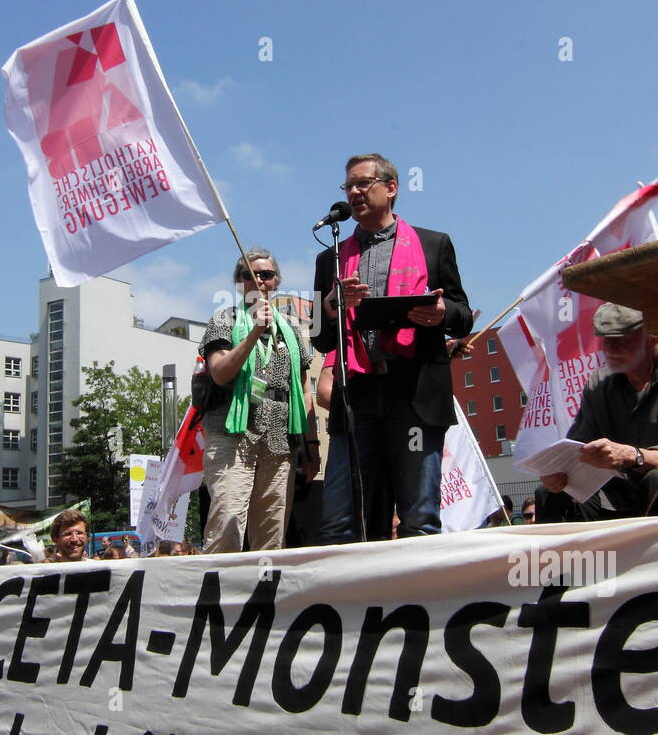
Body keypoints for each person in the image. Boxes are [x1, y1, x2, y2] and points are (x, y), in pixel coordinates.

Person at [312, 153, 472, 543]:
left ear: (392, 187)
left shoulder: (434, 244)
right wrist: (334, 306)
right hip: (357, 397)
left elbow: (463, 314)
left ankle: (422, 601)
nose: (354, 192)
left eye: (363, 183)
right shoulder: (330, 257)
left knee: (418, 516)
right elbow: (319, 336)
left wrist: (441, 313)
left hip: (413, 391)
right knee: (340, 518)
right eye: (348, 185)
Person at [539, 303, 658, 520]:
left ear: (653, 337)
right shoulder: (598, 385)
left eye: (621, 340)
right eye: (605, 340)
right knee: (551, 493)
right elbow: (578, 446)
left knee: (657, 478)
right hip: (613, 493)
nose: (609, 349)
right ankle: (567, 554)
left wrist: (633, 455)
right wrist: (558, 473)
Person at [198, 247, 313, 553]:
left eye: (266, 274)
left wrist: (310, 445)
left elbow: (303, 391)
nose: (259, 281)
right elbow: (220, 373)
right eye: (250, 275)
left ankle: (264, 596)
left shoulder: (291, 330)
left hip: (280, 439)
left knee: (272, 531)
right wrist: (254, 334)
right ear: (240, 282)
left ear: (276, 282)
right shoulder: (224, 319)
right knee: (229, 521)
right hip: (233, 434)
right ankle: (217, 594)